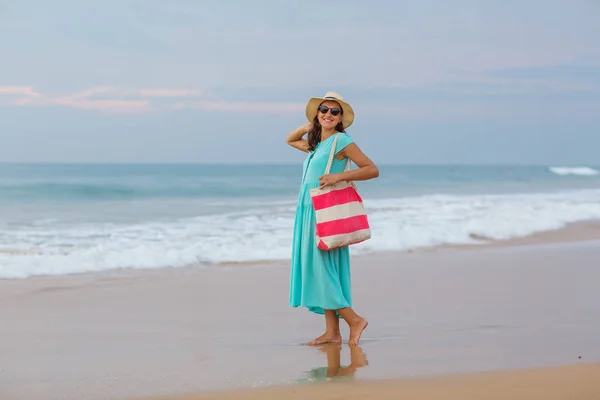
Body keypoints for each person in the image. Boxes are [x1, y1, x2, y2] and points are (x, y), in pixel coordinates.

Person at [285, 92, 379, 347]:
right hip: (309, 211)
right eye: (323, 109)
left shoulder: (341, 141)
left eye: (334, 112)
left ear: (341, 119)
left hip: (324, 212)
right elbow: (290, 139)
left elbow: (372, 169)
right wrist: (312, 125)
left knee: (322, 270)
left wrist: (338, 178)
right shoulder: (317, 145)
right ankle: (332, 333)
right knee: (323, 269)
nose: (328, 114)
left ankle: (355, 320)